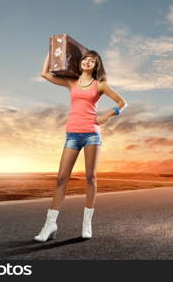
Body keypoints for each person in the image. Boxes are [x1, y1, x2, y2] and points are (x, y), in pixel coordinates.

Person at [34, 49, 127, 241]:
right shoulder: (72, 82)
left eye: (92, 60)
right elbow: (45, 74)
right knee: (61, 178)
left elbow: (122, 102)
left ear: (96, 65)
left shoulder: (100, 85)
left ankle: (87, 224)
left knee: (90, 178)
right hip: (72, 135)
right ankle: (50, 224)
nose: (87, 61)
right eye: (85, 59)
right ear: (80, 62)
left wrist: (107, 116)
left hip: (92, 134)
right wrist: (51, 52)